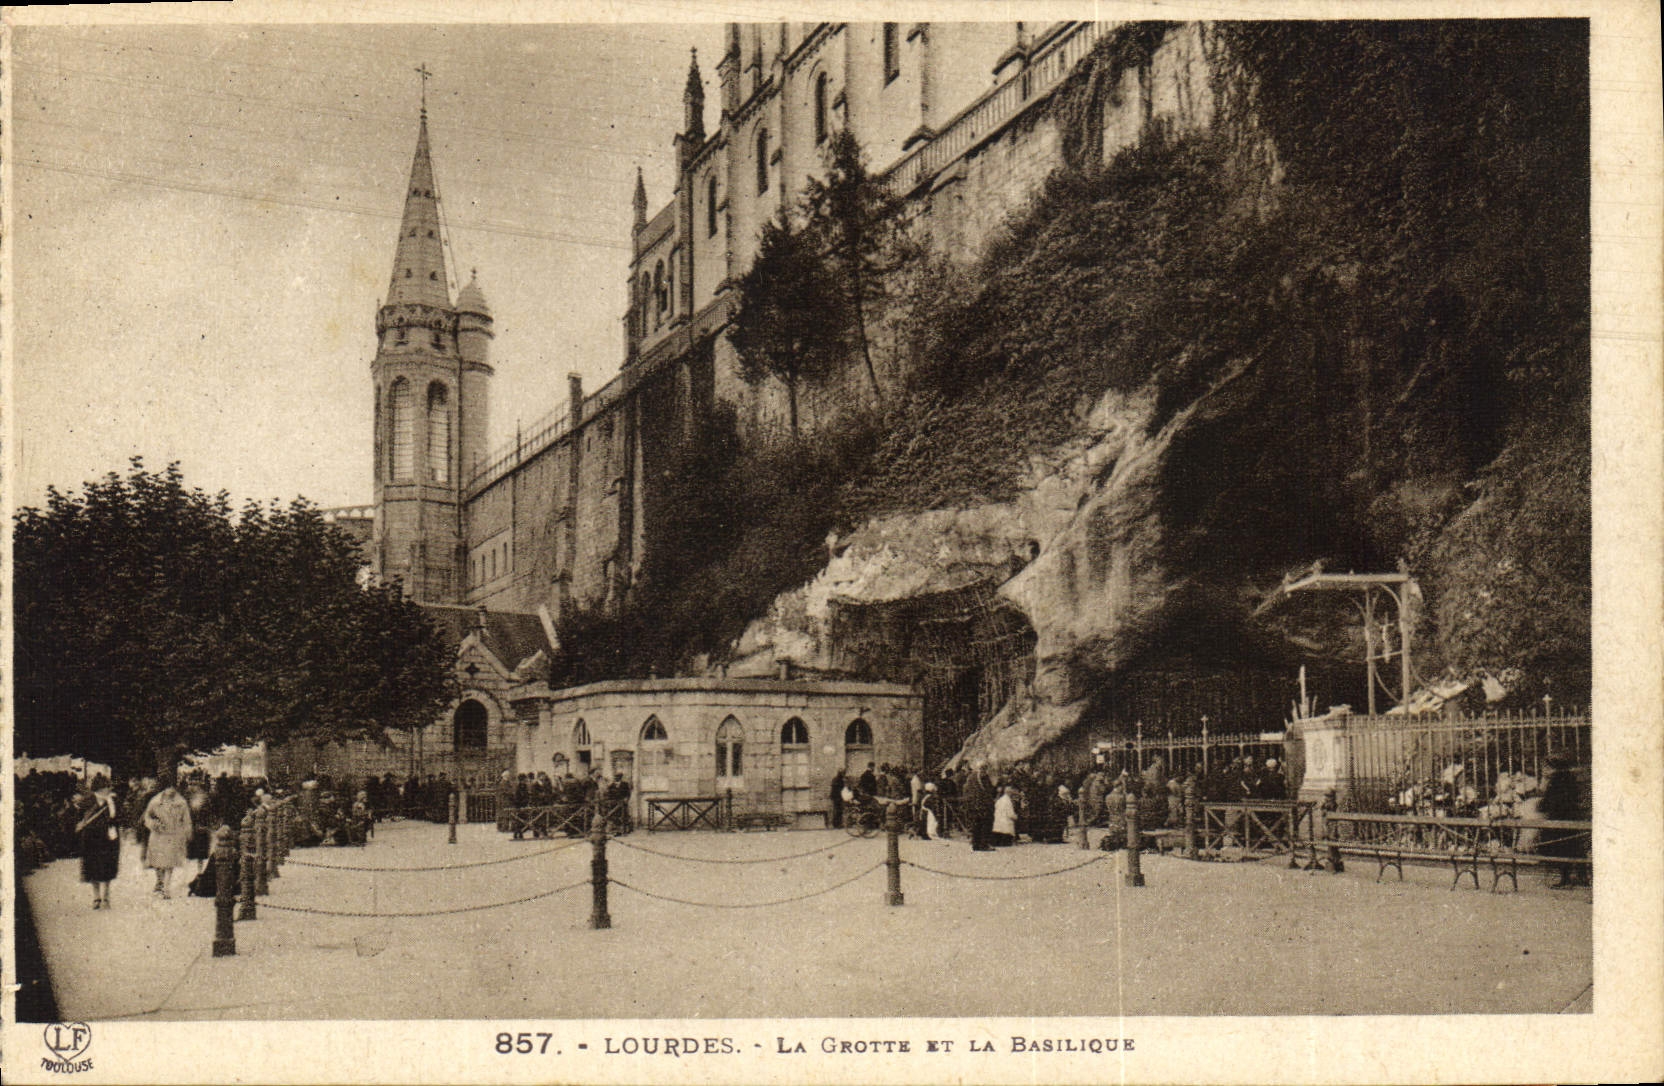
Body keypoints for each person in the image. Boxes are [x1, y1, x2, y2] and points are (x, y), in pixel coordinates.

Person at [142, 772, 192, 899]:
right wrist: (153, 824)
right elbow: (147, 816)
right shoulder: (155, 801)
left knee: (169, 863)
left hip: (173, 835)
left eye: (173, 787)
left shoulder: (181, 802)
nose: (171, 790)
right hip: (158, 835)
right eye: (168, 787)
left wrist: (187, 832)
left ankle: (166, 888)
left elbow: (187, 819)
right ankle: (160, 881)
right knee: (158, 863)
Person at [76, 776, 121, 909]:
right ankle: (96, 897)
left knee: (108, 867)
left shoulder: (114, 801)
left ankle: (106, 897)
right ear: (98, 789)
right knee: (92, 867)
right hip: (91, 838)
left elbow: (120, 818)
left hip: (109, 838)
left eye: (108, 787)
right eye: (105, 788)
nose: (108, 790)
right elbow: (79, 817)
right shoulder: (87, 801)